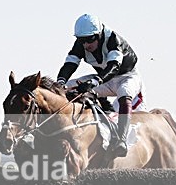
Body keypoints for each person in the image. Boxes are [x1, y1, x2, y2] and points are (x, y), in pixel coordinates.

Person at [55, 14, 146, 157]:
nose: (86, 45)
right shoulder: (81, 44)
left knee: (124, 91)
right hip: (105, 80)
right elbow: (70, 64)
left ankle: (121, 140)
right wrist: (60, 82)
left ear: (98, 35)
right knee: (68, 87)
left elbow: (113, 67)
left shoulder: (113, 40)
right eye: (82, 40)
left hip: (127, 77)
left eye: (89, 40)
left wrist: (95, 81)